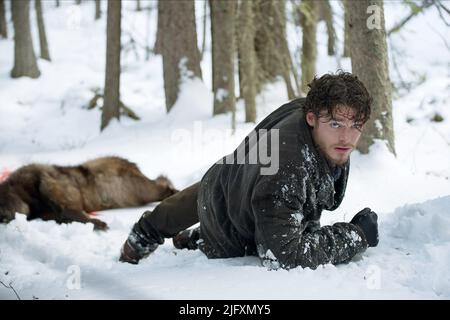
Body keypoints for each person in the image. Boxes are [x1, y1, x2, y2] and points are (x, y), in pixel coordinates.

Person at [119, 71, 379, 270]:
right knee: (232, 228)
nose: (346, 137)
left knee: (213, 198)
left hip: (233, 175)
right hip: (232, 219)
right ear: (311, 118)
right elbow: (283, 255)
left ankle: (181, 237)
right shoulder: (287, 169)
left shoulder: (315, 116)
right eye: (335, 124)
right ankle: (165, 238)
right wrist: (356, 235)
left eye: (356, 125)